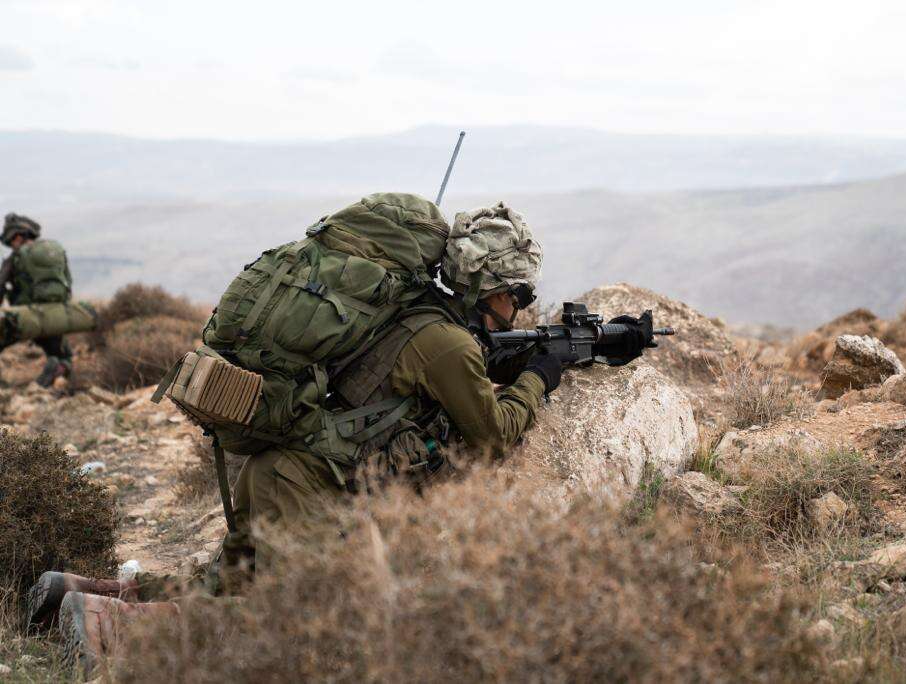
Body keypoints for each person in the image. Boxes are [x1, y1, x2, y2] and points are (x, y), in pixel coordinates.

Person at [26, 195, 650, 676]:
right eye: (518, 294)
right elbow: (493, 436)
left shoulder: (408, 308)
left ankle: (88, 594)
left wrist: (518, 361)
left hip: (278, 465)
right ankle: (116, 631)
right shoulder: (450, 344)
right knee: (298, 620)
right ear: (490, 287)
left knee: (235, 577)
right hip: (314, 487)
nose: (521, 307)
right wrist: (541, 376)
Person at [0, 213, 75, 386]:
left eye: (11, 241)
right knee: (64, 356)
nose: (12, 245)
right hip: (54, 316)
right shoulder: (55, 252)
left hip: (24, 319)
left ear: (18, 237)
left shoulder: (14, 259)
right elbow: (68, 284)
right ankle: (57, 371)